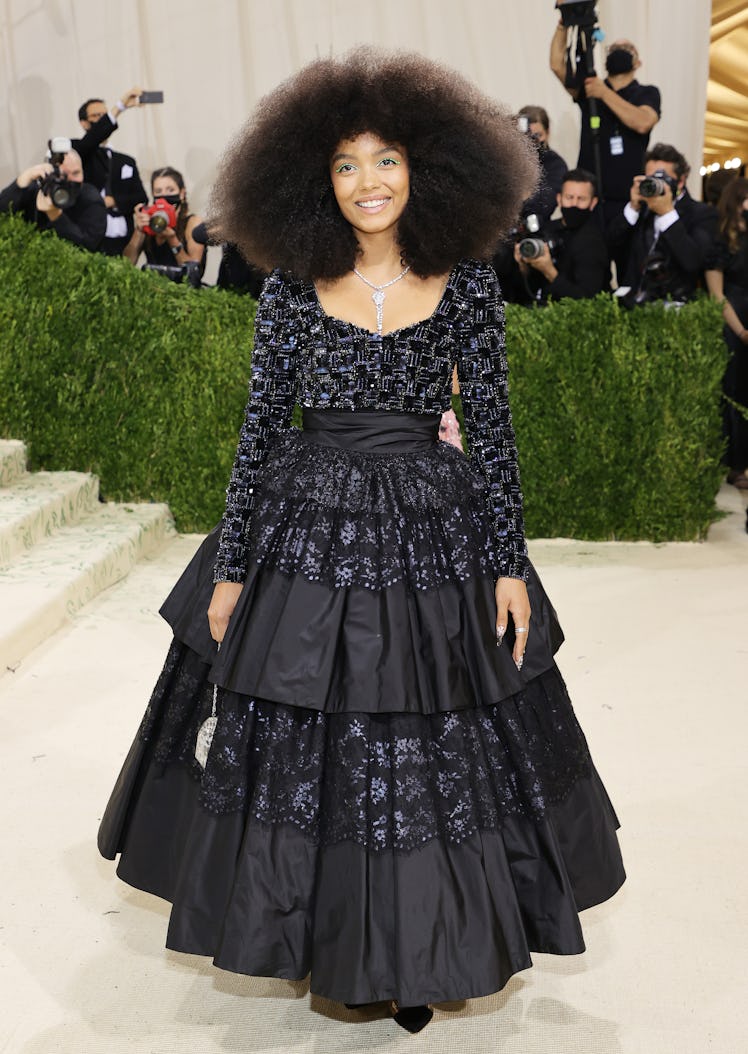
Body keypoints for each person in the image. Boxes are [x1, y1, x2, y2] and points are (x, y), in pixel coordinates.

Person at [98, 48, 625, 1034]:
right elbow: (258, 435)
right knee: (319, 742)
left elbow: (496, 431)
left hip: (438, 530)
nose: (368, 182)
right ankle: (336, 941)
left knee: (432, 740)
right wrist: (233, 569)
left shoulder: (466, 284)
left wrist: (508, 563)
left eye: (386, 160)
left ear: (428, 171)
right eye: (345, 164)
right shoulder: (291, 286)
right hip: (308, 529)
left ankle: (423, 946)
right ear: (311, 178)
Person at [550, 24, 660, 266]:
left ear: (638, 62)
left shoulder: (646, 93)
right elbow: (558, 65)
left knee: (629, 268)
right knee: (590, 269)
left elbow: (642, 122)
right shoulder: (590, 88)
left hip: (629, 201)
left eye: (626, 48)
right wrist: (564, 23)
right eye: (614, 47)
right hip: (592, 202)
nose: (619, 51)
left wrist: (603, 93)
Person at [609, 143, 717, 306]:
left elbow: (693, 262)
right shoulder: (641, 210)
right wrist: (633, 208)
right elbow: (611, 245)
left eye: (661, 178)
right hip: (632, 307)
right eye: (650, 178)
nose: (654, 184)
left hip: (674, 313)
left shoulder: (702, 214)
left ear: (680, 182)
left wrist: (667, 214)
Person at [705, 177, 748, 489]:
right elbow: (717, 295)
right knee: (734, 393)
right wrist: (742, 331)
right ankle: (736, 465)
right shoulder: (720, 240)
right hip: (734, 322)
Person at [512, 167, 610, 303]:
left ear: (593, 203)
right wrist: (524, 266)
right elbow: (527, 287)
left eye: (581, 199)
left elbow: (586, 300)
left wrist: (549, 271)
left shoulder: (594, 242)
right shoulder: (547, 230)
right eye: (569, 197)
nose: (574, 204)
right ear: (559, 199)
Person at [73, 89, 148, 256]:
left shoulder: (126, 161)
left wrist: (114, 201)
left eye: (105, 115)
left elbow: (140, 197)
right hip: (89, 237)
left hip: (123, 241)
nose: (102, 121)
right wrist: (119, 107)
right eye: (97, 117)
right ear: (84, 123)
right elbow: (91, 140)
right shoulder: (76, 153)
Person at [0, 147, 106, 252]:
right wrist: (23, 180)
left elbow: (88, 247)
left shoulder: (91, 199)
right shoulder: (35, 190)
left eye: (76, 173)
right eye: (62, 175)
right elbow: (3, 213)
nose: (69, 180)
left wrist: (55, 215)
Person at [123, 167, 206, 277]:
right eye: (158, 191)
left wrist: (172, 240)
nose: (164, 195)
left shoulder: (193, 223)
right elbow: (126, 264)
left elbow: (193, 274)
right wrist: (139, 231)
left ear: (181, 194)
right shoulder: (150, 220)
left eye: (170, 190)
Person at [517, 105, 568, 222]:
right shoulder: (509, 161)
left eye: (538, 135)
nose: (533, 142)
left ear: (547, 132)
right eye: (527, 136)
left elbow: (544, 206)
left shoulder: (555, 164)